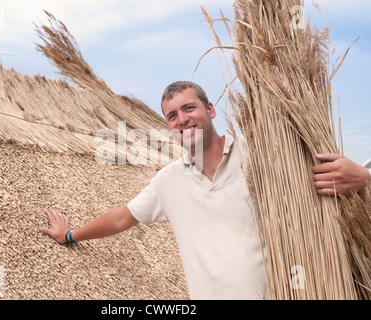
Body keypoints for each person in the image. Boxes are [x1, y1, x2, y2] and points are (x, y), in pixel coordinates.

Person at [39, 81, 371, 300]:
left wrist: (364, 178)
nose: (182, 119)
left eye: (189, 108)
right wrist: (70, 236)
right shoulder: (168, 180)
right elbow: (121, 217)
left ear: (210, 110)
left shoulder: (259, 157)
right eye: (172, 116)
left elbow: (329, 177)